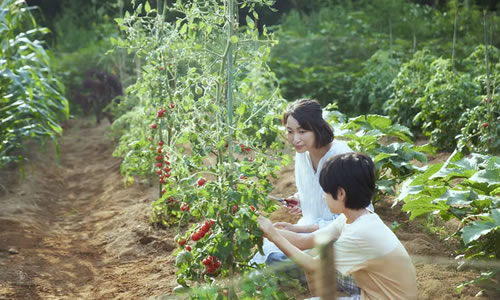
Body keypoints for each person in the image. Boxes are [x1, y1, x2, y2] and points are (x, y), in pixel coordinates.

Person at [257, 153, 417, 300]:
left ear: (341, 194)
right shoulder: (354, 217)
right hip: (373, 291)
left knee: (312, 267)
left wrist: (274, 235)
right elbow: (303, 241)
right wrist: (268, 231)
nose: (323, 196)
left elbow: (313, 266)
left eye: (325, 191)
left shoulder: (361, 232)